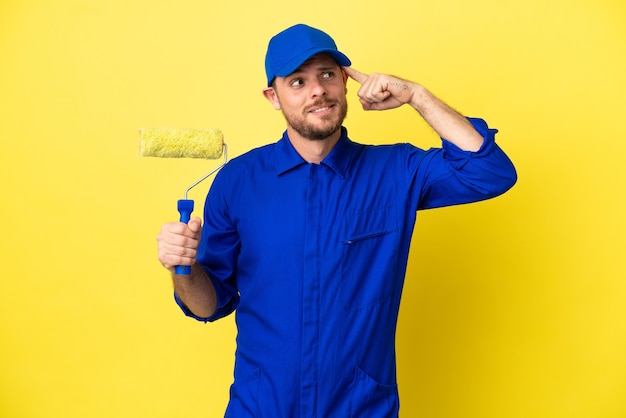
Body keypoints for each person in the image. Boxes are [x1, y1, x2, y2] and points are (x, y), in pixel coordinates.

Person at [157, 23, 516, 417]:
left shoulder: (396, 171)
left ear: (345, 81)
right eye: (297, 82)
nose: (317, 91)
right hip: (261, 407)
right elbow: (209, 306)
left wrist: (418, 95)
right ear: (272, 97)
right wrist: (184, 269)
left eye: (327, 74)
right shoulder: (237, 181)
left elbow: (490, 173)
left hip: (360, 406)